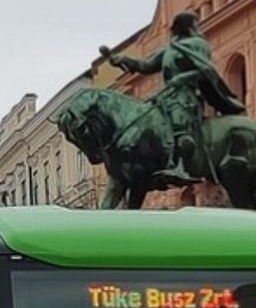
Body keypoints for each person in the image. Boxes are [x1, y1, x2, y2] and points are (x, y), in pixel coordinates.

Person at [100, 10, 245, 184]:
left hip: (186, 96)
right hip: (167, 95)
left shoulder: (198, 44)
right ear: (188, 26)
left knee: (179, 122)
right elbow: (146, 66)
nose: (198, 27)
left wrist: (182, 78)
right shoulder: (170, 48)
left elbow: (207, 70)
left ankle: (181, 166)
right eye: (196, 24)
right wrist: (124, 60)